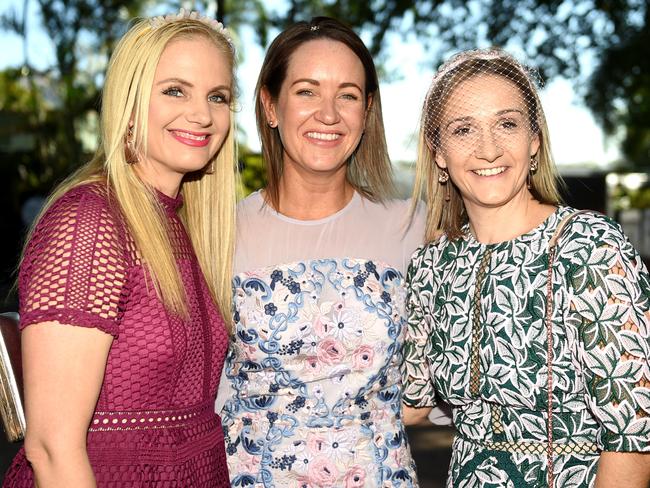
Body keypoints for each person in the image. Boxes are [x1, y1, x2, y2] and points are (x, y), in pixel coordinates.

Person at [3, 9, 237, 487]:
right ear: (129, 103)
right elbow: (51, 447)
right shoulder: (90, 221)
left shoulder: (181, 224)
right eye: (175, 89)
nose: (202, 114)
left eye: (218, 96)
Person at [402, 48, 650, 487]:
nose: (489, 148)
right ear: (437, 152)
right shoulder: (431, 267)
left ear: (534, 139)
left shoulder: (590, 247)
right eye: (463, 129)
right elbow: (411, 401)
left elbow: (634, 434)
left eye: (507, 123)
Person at [218, 16, 421, 487]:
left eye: (347, 95)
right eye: (307, 91)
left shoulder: (413, 226)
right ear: (270, 105)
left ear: (366, 111)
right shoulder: (218, 233)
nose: (328, 114)